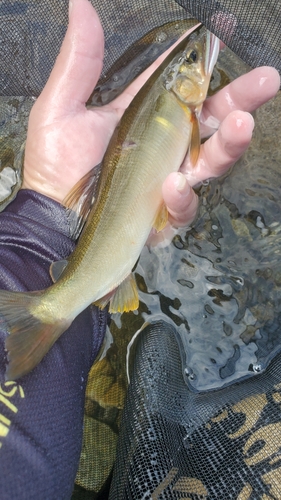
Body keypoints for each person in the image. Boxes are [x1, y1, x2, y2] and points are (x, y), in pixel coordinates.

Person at [0, 0, 279, 498]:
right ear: (180, 85)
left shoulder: (182, 102)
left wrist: (43, 224)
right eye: (193, 63)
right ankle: (56, 306)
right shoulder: (185, 110)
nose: (203, 61)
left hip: (71, 250)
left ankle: (58, 302)